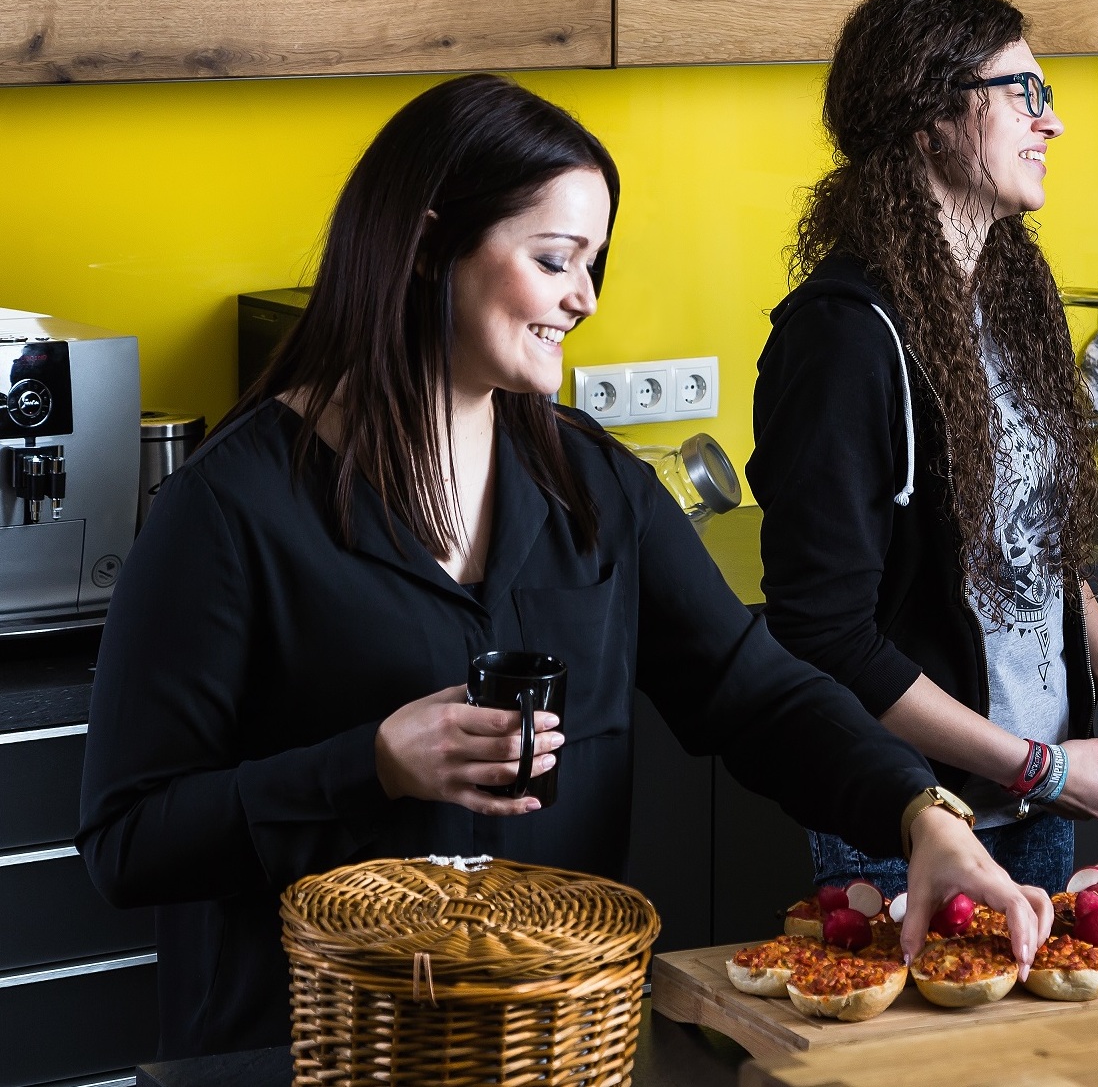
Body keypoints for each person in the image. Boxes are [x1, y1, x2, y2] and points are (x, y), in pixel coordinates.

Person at [77, 75, 1047, 1059]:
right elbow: (127, 838)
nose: (583, 298)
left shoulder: (593, 483)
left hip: (552, 1050)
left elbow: (756, 692)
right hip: (303, 1057)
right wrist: (367, 762)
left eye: (593, 263)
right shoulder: (227, 507)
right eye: (553, 259)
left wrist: (922, 810)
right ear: (424, 246)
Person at [748, 0, 1098, 895]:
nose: (1051, 123)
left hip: (1034, 803)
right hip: (907, 818)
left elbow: (1035, 547)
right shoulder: (846, 338)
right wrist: (1043, 766)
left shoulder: (1015, 305)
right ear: (930, 117)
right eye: (1023, 93)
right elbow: (825, 636)